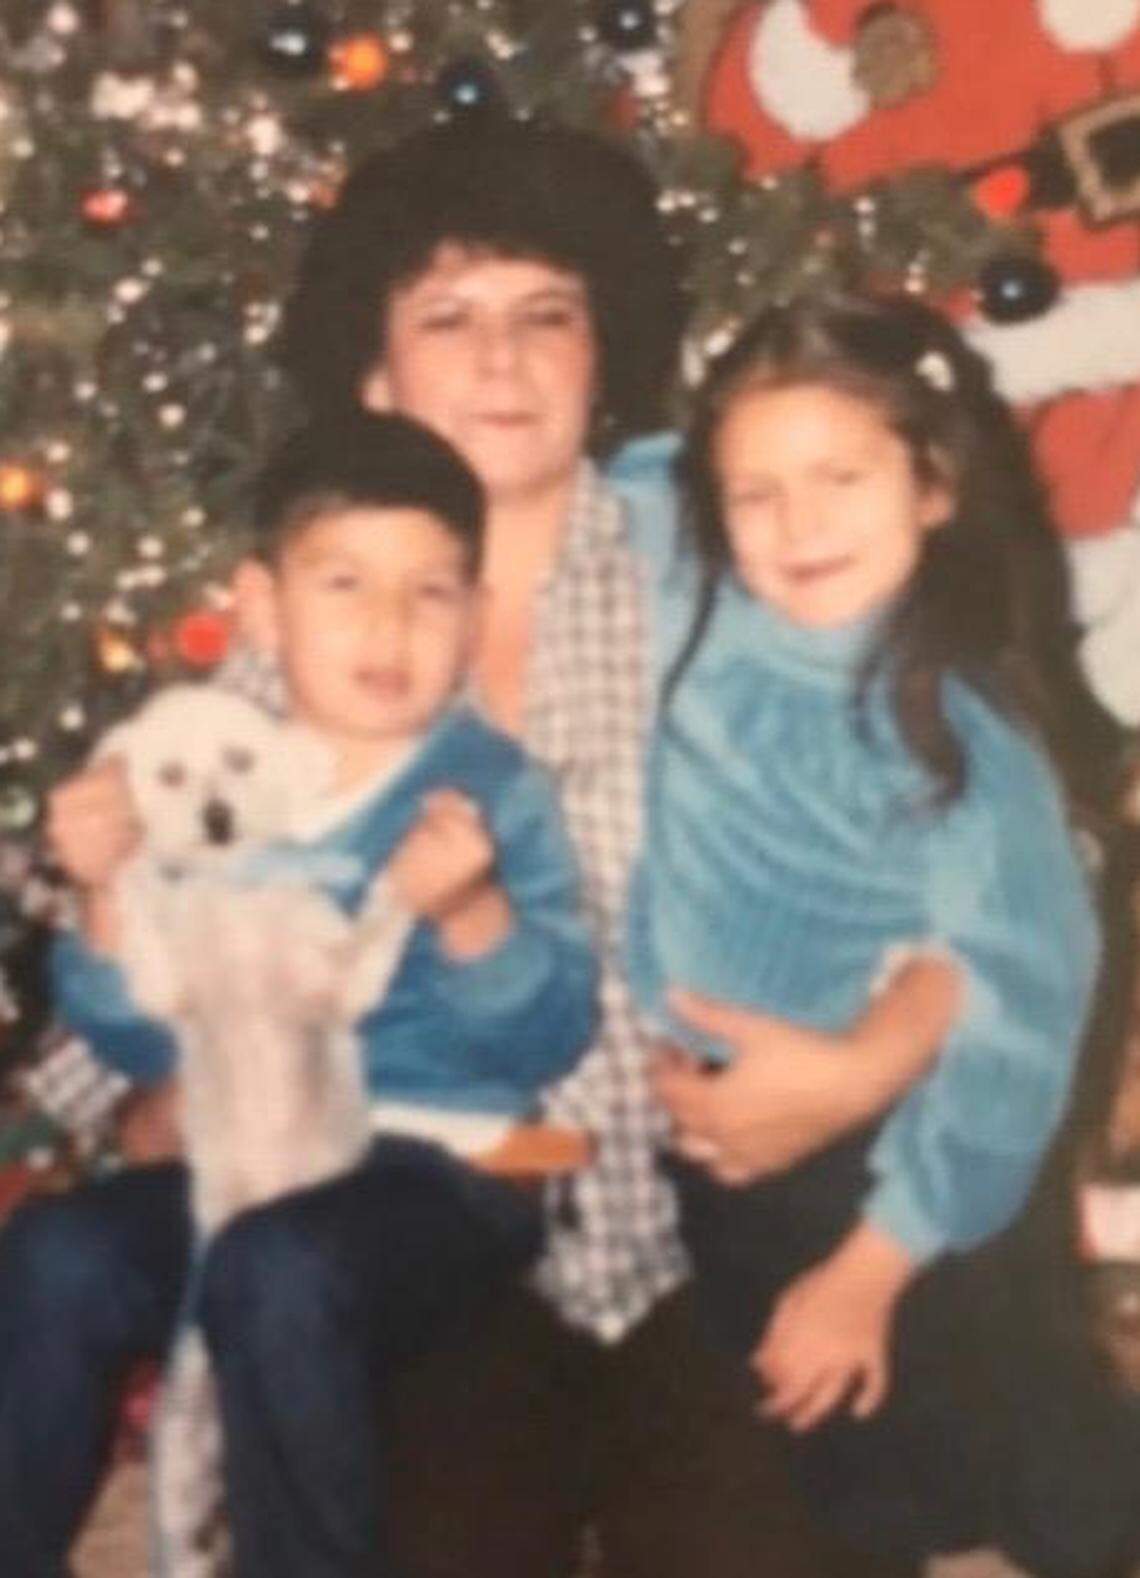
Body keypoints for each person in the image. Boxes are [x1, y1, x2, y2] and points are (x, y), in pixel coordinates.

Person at [27, 120, 970, 1577]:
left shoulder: (735, 587)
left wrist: (863, 1065)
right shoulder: (288, 654)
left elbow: (968, 859)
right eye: (448, 320)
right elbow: (124, 965)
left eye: (548, 314)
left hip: (708, 1227)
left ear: (607, 352)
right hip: (427, 1238)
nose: (503, 361)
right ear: (371, 369)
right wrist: (159, 1079)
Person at [0, 408, 601, 1578]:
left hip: (439, 1179)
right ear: (263, 607)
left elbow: (548, 1032)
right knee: (61, 1250)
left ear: (475, 621)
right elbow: (135, 1038)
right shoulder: (202, 771)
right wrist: (108, 897)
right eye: (344, 584)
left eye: (431, 594)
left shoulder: (495, 791)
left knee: (281, 1268)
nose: (389, 626)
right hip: (246, 1154)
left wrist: (473, 917)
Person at [620, 290, 1140, 1578]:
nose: (797, 527)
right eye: (756, 493)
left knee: (1041, 1473)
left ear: (936, 487)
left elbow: (1022, 1021)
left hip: (920, 1177)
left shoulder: (957, 736)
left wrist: (876, 1259)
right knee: (856, 1468)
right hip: (731, 1166)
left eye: (842, 478)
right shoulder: (705, 601)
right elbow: (624, 477)